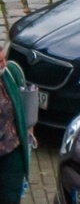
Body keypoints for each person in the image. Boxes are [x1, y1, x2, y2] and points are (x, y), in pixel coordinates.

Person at [0, 37, 33, 204]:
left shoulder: (10, 74)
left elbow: (24, 105)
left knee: (10, 198)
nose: (3, 64)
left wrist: (29, 131)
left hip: (12, 151)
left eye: (4, 59)